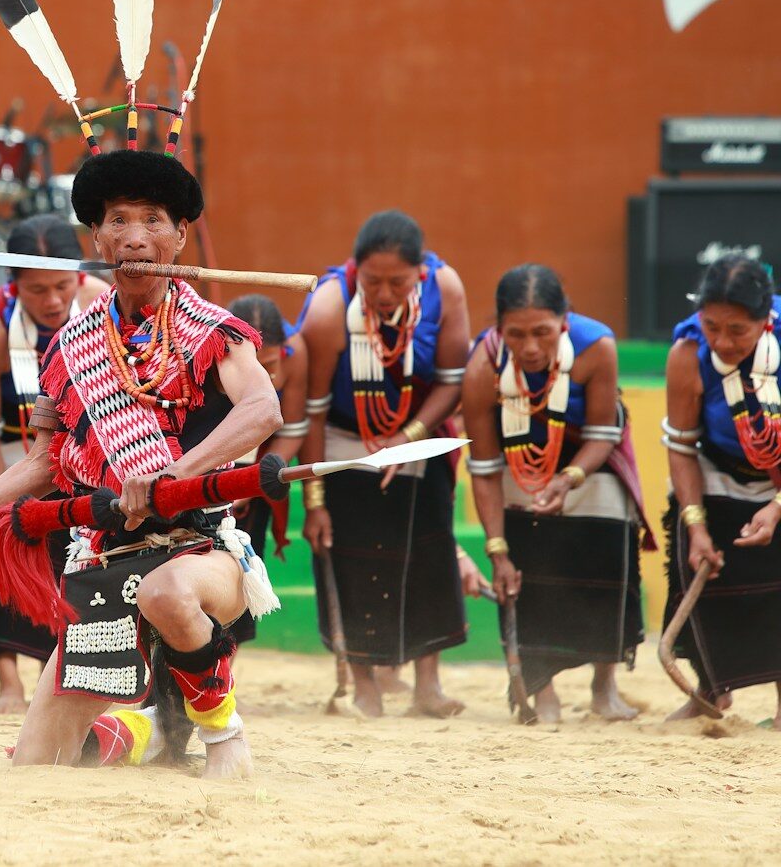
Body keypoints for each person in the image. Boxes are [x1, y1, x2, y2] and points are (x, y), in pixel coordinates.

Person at [0, 149, 283, 779]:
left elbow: (262, 411)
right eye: (117, 220)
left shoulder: (215, 331)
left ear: (180, 236)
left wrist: (171, 477)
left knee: (166, 590)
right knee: (37, 765)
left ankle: (223, 733)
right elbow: (43, 466)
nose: (134, 237)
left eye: (153, 219)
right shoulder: (72, 345)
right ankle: (145, 726)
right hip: (102, 565)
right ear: (96, 237)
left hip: (200, 554)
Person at [298, 210, 474, 718]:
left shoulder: (446, 287)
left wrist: (406, 436)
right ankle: (365, 688)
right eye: (373, 280)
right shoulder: (330, 306)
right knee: (351, 559)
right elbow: (309, 411)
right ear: (356, 268)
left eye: (398, 281)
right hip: (340, 443)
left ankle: (428, 687)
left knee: (429, 552)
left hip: (418, 436)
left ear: (420, 273)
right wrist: (314, 501)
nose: (383, 292)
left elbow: (452, 379)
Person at [463, 264, 646, 723]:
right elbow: (484, 470)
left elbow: (604, 433)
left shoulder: (596, 347)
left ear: (564, 323)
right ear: (498, 328)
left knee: (606, 563)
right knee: (527, 573)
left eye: (543, 333)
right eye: (516, 334)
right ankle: (541, 691)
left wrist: (568, 479)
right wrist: (498, 552)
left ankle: (605, 688)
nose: (529, 347)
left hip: (590, 466)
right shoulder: (482, 368)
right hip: (515, 473)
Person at [0, 214, 107, 710]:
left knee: (68, 553)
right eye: (37, 290)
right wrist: (9, 508)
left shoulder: (105, 303)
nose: (54, 301)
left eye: (63, 286)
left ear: (79, 277)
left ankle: (53, 670)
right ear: (14, 285)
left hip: (72, 445)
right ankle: (6, 680)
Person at [662, 254, 781, 724]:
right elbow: (681, 446)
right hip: (716, 472)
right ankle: (711, 689)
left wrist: (776, 508)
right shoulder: (687, 353)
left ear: (766, 319)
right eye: (711, 326)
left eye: (737, 330)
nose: (721, 341)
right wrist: (696, 526)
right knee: (698, 577)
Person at [223, 295, 309, 646]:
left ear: (283, 350)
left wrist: (253, 483)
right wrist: (223, 486)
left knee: (243, 585)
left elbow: (293, 429)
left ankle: (223, 687)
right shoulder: (205, 349)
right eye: (253, 363)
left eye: (270, 363)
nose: (261, 375)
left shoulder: (297, 354)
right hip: (206, 479)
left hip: (256, 478)